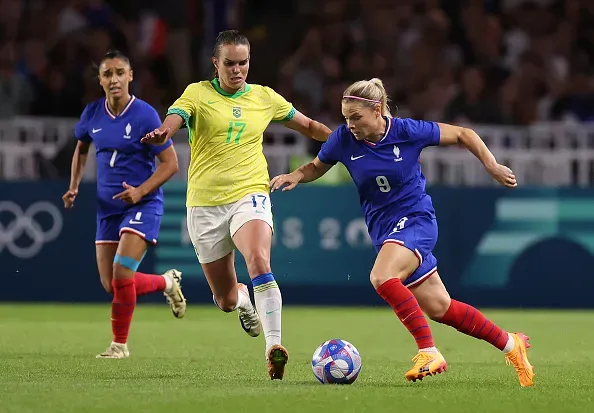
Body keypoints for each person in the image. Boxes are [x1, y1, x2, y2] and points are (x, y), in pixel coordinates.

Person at [270, 78, 535, 387]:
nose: (349, 124)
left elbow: (464, 134)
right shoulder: (343, 140)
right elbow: (316, 166)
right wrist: (296, 174)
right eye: (345, 117)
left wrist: (491, 164)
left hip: (416, 221)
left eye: (356, 117)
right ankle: (510, 343)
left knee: (381, 277)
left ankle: (428, 351)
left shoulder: (407, 132)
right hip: (385, 231)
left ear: (378, 109)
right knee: (440, 307)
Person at [141, 30, 332, 380]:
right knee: (227, 300)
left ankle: (274, 347)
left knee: (258, 259)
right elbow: (176, 117)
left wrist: (344, 140)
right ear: (216, 64)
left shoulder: (264, 97)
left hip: (250, 193)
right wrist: (164, 132)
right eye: (229, 63)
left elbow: (308, 126)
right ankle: (244, 300)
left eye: (243, 63)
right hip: (205, 204)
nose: (237, 70)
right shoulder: (197, 93)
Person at [62, 50, 187, 359]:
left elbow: (171, 164)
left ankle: (119, 345)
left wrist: (140, 191)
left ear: (131, 76)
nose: (114, 79)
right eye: (107, 74)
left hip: (142, 204)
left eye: (120, 72)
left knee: (121, 273)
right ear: (100, 80)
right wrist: (74, 186)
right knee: (112, 284)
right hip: (108, 209)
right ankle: (166, 282)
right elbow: (80, 148)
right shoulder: (92, 114)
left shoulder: (144, 114)